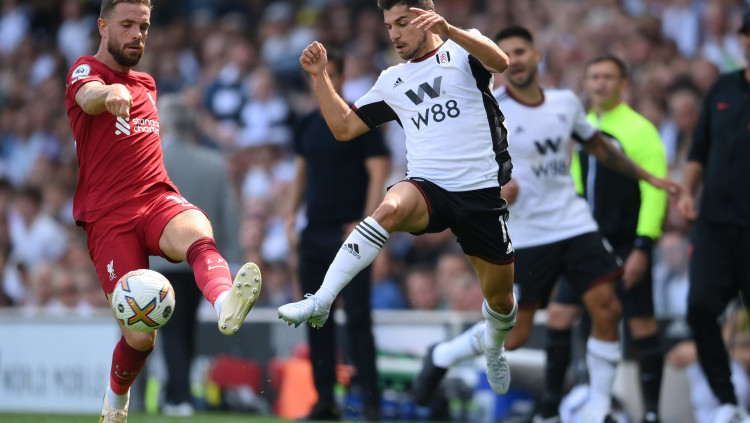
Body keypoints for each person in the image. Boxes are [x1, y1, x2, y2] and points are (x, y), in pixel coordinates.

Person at [410, 26, 680, 423]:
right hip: (528, 233)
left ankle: (597, 410)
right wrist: (496, 187)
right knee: (515, 335)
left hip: (573, 222)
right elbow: (458, 166)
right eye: (506, 54)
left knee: (607, 308)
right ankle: (444, 354)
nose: (515, 60)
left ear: (537, 56)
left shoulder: (565, 102)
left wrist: (649, 177)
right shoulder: (485, 108)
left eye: (521, 51)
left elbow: (599, 146)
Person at [279, 0, 519, 398]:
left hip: (479, 195)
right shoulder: (392, 80)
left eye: (402, 23)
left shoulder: (463, 50)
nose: (394, 34)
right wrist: (320, 77)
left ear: (427, 18)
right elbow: (343, 128)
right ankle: (321, 299)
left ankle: (492, 344)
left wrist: (449, 30)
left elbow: (502, 62)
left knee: (502, 303)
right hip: (428, 185)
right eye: (389, 25)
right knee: (389, 207)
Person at [63, 2, 261, 422]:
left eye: (144, 26)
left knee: (197, 227)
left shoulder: (147, 84)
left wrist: (120, 91)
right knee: (141, 338)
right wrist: (107, 94)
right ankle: (116, 400)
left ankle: (224, 302)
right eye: (127, 25)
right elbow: (88, 95)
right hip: (109, 218)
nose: (138, 34)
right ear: (103, 26)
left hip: (154, 198)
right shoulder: (85, 70)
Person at [541, 55, 668, 423]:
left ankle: (651, 413)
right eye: (593, 76)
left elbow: (655, 189)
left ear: (623, 84)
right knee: (560, 315)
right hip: (588, 241)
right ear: (585, 82)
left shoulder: (639, 129)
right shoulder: (584, 126)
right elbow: (577, 183)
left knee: (641, 324)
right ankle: (550, 408)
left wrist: (644, 245)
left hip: (628, 242)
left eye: (608, 77)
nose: (600, 83)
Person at [285, 51, 390, 421]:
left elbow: (379, 171)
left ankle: (371, 402)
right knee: (316, 317)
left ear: (342, 78)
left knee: (358, 317)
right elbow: (301, 172)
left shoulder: (361, 120)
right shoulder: (306, 124)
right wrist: (289, 215)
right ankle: (325, 399)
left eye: (328, 74)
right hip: (315, 231)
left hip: (351, 232)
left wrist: (367, 223)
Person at [676, 10, 750, 423]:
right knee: (699, 307)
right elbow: (699, 149)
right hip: (715, 224)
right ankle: (726, 401)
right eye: (747, 34)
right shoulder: (722, 86)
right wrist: (688, 191)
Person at [148, 94, 242, 417]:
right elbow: (229, 216)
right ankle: (177, 393)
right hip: (202, 262)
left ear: (165, 123)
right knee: (185, 328)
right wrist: (232, 261)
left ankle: (178, 397)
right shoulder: (214, 164)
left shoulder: (152, 158)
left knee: (170, 331)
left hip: (160, 260)